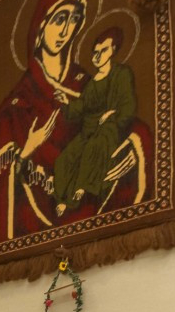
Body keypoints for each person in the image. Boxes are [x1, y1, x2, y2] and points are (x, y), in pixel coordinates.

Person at [0, 0, 152, 245]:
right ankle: (68, 197)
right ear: (41, 26)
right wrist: (27, 150)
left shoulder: (87, 83)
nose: (65, 30)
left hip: (91, 189)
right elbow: (2, 180)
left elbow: (125, 121)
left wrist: (125, 152)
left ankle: (80, 192)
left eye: (74, 19)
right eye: (59, 19)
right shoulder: (18, 104)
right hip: (39, 212)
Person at [52, 27, 136, 212]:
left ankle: (81, 189)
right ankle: (62, 198)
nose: (97, 56)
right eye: (95, 52)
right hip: (88, 129)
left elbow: (128, 105)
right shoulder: (92, 81)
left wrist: (112, 115)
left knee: (93, 148)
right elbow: (83, 105)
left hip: (108, 128)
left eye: (103, 51)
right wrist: (66, 103)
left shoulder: (121, 74)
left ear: (113, 50)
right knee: (65, 158)